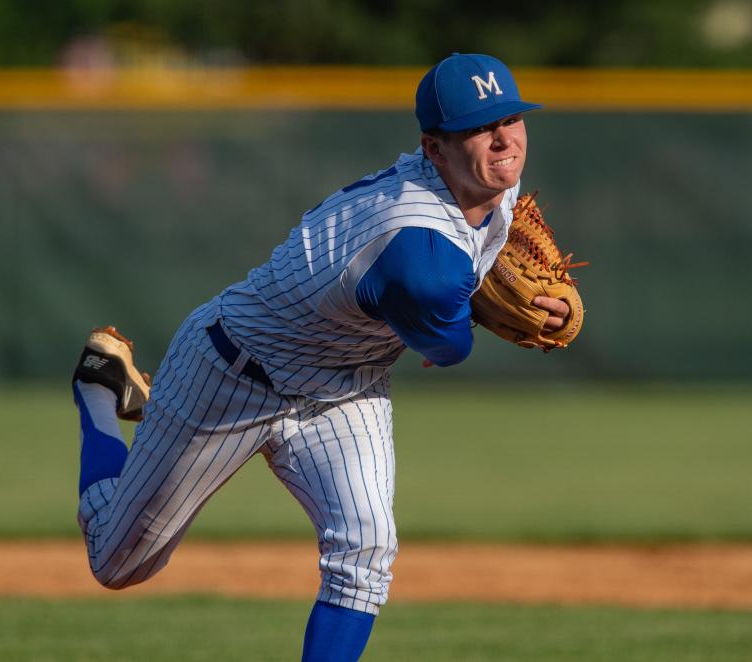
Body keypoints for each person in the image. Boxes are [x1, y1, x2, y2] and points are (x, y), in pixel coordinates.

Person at [71, 53, 570, 662]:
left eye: (511, 117)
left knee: (365, 552)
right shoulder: (417, 252)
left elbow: (487, 261)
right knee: (117, 564)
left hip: (346, 386)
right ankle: (100, 389)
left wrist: (545, 303)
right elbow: (450, 345)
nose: (502, 139)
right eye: (476, 127)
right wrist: (490, 312)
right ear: (433, 150)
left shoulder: (496, 179)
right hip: (232, 373)